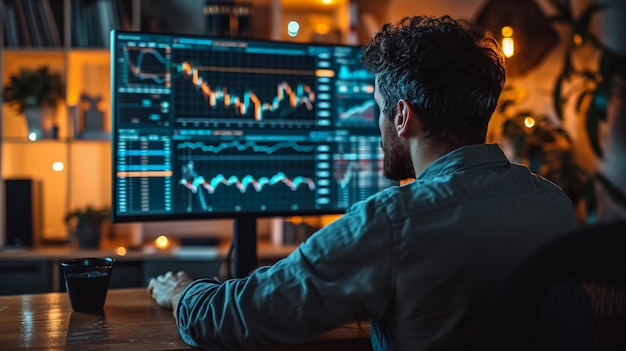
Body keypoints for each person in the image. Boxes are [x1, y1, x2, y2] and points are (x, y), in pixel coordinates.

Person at [148, 15, 580, 350]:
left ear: (402, 116)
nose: (376, 125)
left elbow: (234, 318)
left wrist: (186, 291)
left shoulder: (392, 222)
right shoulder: (553, 203)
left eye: (378, 107)